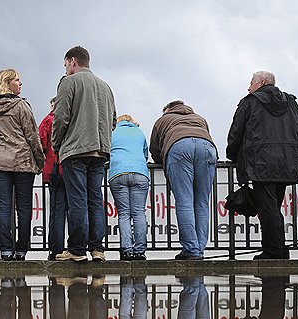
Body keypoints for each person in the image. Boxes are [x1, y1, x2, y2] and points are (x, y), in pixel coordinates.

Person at [226, 71, 298, 260]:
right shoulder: (291, 103)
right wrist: (296, 155)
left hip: (260, 161)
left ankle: (273, 252)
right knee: (273, 207)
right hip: (286, 161)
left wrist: (232, 155)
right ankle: (278, 249)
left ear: (261, 83)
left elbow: (236, 132)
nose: (248, 87)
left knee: (268, 209)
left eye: (251, 83)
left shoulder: (249, 102)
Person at [52, 46, 116, 262]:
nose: (66, 69)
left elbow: (60, 118)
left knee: (77, 200)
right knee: (95, 199)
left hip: (75, 149)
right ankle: (97, 249)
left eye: (66, 65)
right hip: (100, 151)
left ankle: (77, 250)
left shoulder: (68, 82)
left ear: (72, 61)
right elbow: (113, 120)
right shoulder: (105, 87)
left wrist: (56, 144)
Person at [0, 69, 45, 261]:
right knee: (23, 208)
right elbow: (33, 136)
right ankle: (21, 250)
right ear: (7, 83)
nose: (20, 83)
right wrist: (40, 161)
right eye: (17, 80)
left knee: (4, 207)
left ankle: (6, 250)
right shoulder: (21, 106)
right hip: (23, 163)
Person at [151, 100, 218, 260]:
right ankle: (199, 249)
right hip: (207, 148)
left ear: (167, 110)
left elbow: (154, 148)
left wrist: (161, 162)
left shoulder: (163, 120)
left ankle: (191, 249)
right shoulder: (199, 118)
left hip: (179, 147)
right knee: (202, 201)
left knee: (184, 201)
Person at [108, 115, 149, 260]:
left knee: (124, 213)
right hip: (139, 172)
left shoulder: (111, 131)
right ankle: (140, 251)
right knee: (138, 212)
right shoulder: (139, 132)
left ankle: (127, 250)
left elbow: (107, 152)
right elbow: (145, 155)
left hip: (118, 173)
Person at [39, 97, 66, 260]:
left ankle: (56, 249)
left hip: (54, 170)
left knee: (57, 211)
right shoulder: (73, 120)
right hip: (72, 169)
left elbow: (41, 144)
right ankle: (78, 248)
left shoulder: (47, 121)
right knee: (77, 210)